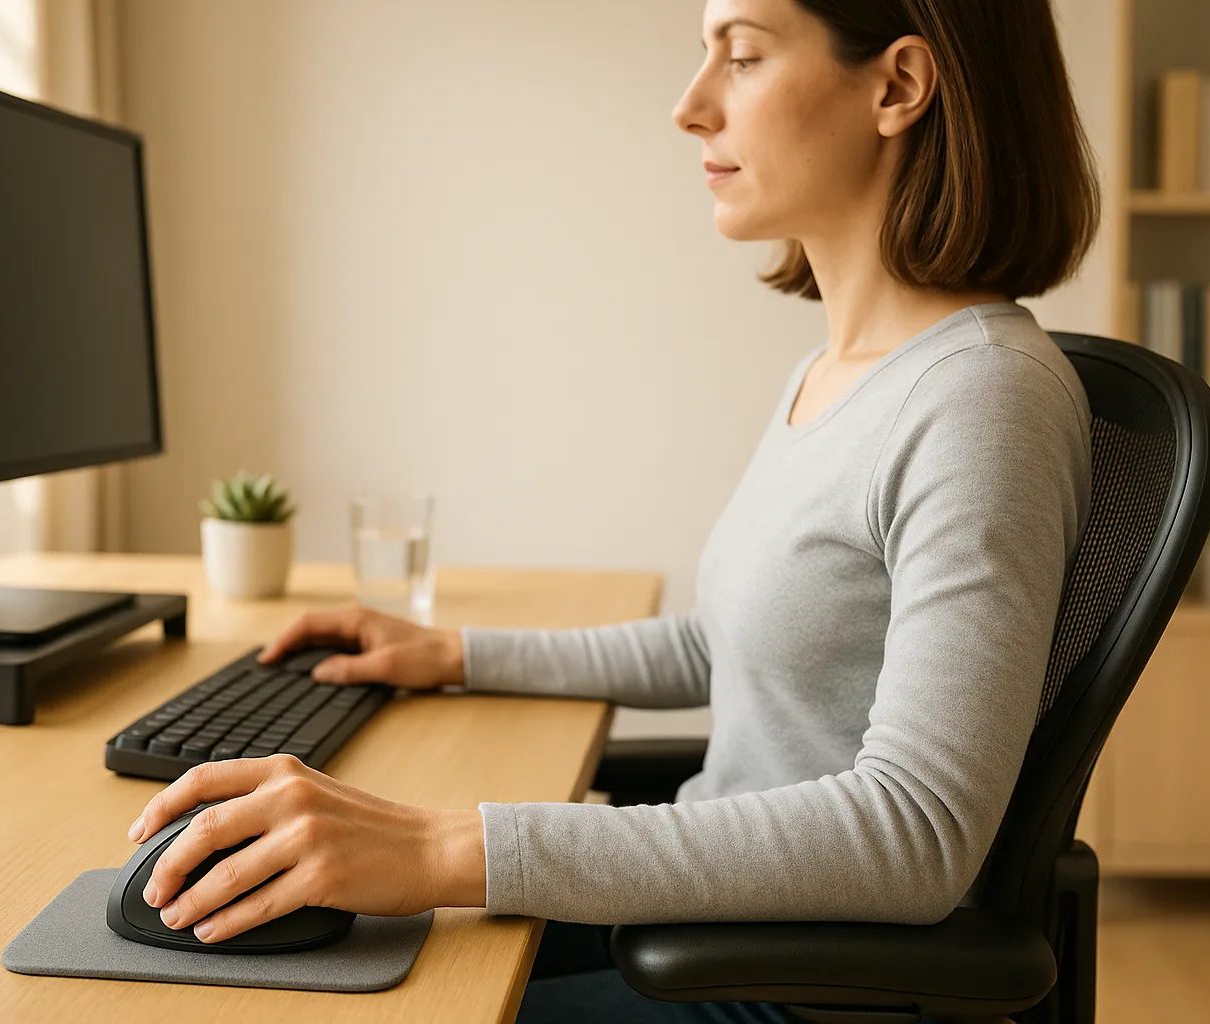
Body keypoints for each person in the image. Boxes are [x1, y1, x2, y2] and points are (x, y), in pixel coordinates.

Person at [123, 0, 1100, 1018]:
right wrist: (453, 654)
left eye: (746, 56)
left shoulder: (983, 398)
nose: (690, 106)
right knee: (265, 956)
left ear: (897, 86)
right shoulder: (839, 371)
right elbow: (730, 645)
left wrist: (441, 844)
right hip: (712, 920)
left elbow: (916, 835)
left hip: (791, 986)